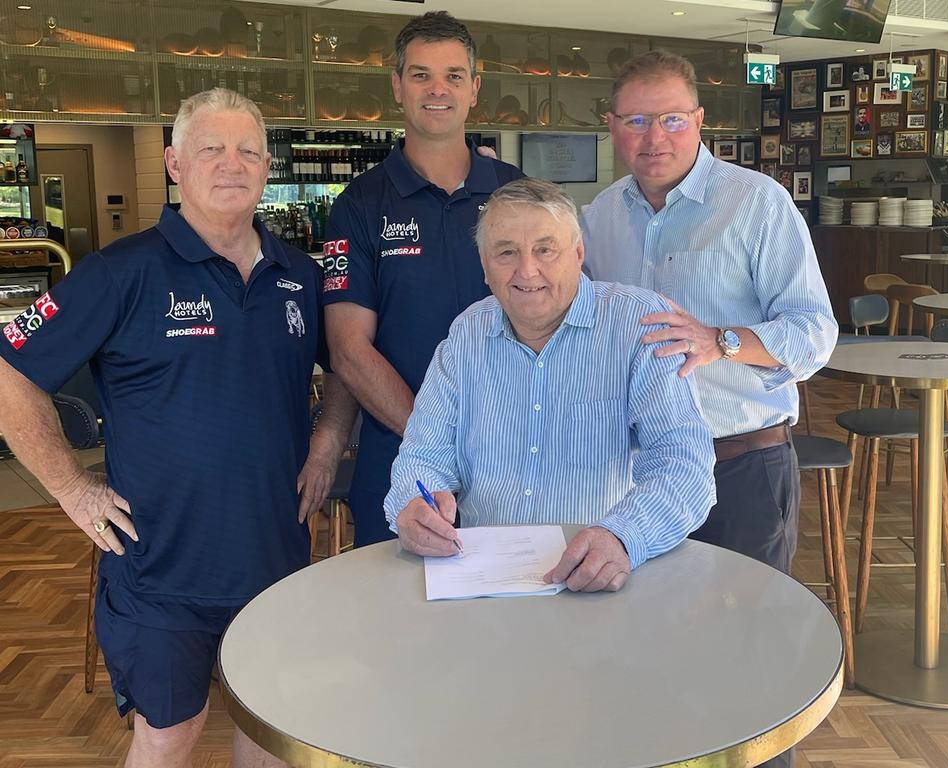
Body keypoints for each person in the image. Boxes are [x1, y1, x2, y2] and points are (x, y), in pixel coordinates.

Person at [0, 88, 355, 768]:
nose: (232, 164)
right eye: (210, 149)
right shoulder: (118, 272)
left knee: (271, 729)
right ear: (174, 164)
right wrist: (73, 490)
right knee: (170, 736)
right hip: (161, 571)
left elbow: (345, 361)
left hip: (274, 560)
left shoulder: (299, 275)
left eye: (248, 150)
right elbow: (10, 370)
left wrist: (329, 437)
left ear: (266, 165)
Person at [384, 178, 716, 590]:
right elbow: (423, 455)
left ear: (578, 254)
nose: (527, 270)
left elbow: (684, 466)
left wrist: (624, 536)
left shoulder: (638, 325)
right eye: (506, 252)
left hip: (600, 574)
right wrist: (415, 504)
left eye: (545, 249)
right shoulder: (466, 334)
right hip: (481, 578)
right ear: (485, 268)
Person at [583, 50, 837, 577]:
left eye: (672, 119)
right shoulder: (598, 218)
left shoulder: (757, 203)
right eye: (636, 121)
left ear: (699, 121)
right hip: (637, 480)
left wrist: (717, 340)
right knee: (646, 643)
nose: (655, 138)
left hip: (741, 467)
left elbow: (814, 333)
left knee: (746, 645)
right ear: (611, 127)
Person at [322, 11, 523, 547]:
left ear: (475, 88)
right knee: (397, 624)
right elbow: (347, 350)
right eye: (420, 75)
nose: (438, 89)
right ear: (397, 86)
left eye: (454, 75)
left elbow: (561, 319)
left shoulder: (517, 194)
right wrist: (434, 442)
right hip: (402, 463)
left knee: (516, 626)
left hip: (516, 464)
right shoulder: (359, 206)